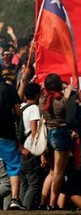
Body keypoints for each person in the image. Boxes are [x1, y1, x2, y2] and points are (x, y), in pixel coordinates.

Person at [39, 73, 75, 210]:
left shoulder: (42, 100)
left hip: (48, 134)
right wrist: (68, 92)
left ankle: (43, 202)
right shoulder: (59, 100)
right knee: (60, 172)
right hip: (60, 133)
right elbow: (63, 108)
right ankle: (53, 203)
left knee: (52, 172)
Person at [0, 67, 25, 209]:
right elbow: (17, 111)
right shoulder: (8, 89)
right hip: (6, 133)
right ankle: (15, 199)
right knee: (13, 167)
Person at [18, 82, 43, 210]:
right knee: (34, 184)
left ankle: (18, 208)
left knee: (24, 183)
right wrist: (39, 147)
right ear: (37, 95)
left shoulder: (21, 107)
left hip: (19, 149)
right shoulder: (34, 108)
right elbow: (34, 130)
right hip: (29, 149)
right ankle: (26, 208)